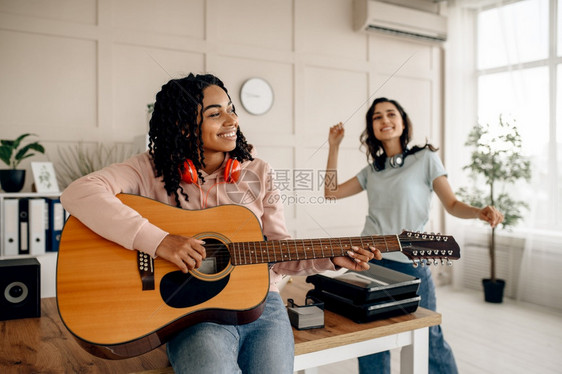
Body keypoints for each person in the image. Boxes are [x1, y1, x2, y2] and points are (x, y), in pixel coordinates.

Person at [61, 73, 382, 374]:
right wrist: (159, 241)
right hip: (190, 311)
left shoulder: (258, 172)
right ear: (183, 125)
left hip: (261, 304)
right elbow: (79, 192)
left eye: (231, 109)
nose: (232, 120)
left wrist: (330, 258)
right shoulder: (148, 168)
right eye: (216, 114)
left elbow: (277, 250)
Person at [324, 97, 504, 374]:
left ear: (403, 122)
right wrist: (333, 147)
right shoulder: (373, 171)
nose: (384, 120)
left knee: (430, 338)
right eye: (377, 117)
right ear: (372, 129)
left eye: (390, 114)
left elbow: (453, 205)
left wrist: (479, 211)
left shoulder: (426, 159)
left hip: (411, 264)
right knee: (370, 342)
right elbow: (331, 192)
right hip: (368, 262)